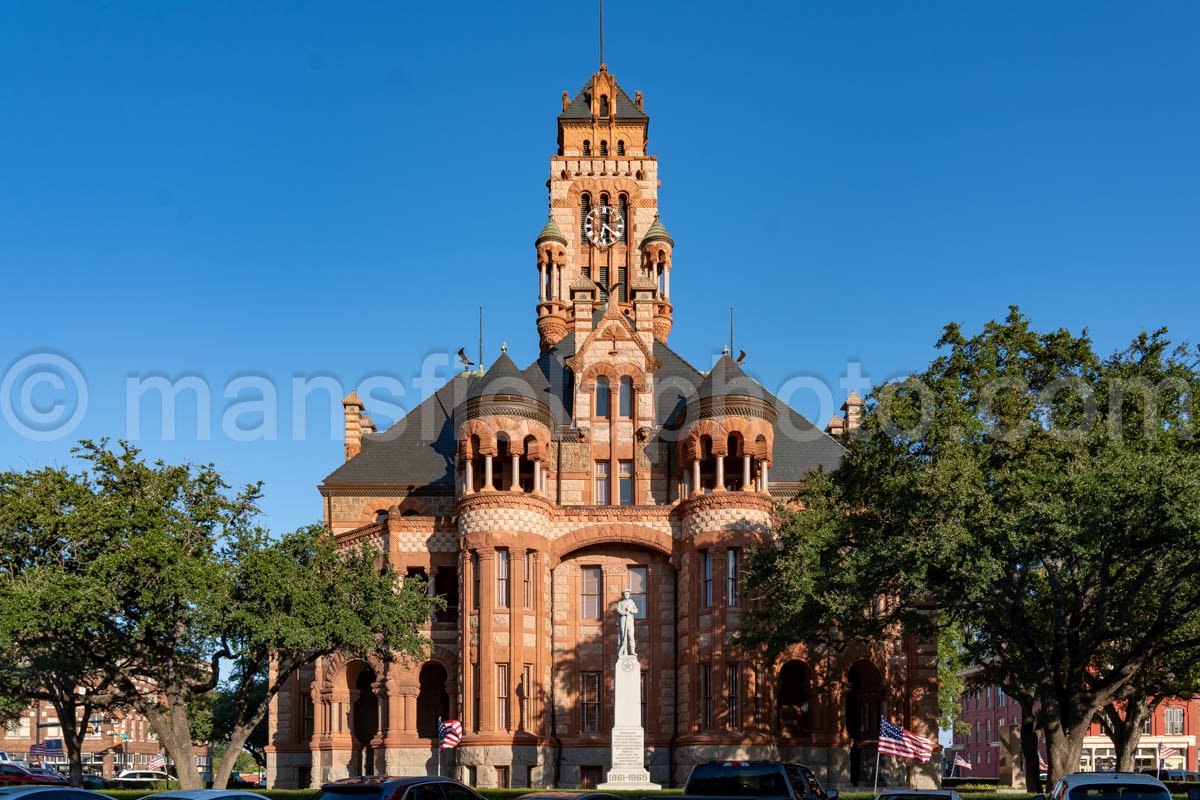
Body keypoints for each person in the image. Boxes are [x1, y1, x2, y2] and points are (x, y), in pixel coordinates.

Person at [616, 589, 638, 656]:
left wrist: (630, 610)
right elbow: (618, 610)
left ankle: (632, 650)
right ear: (623, 595)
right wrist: (624, 613)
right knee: (623, 635)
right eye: (625, 594)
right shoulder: (620, 603)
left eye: (628, 594)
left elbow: (636, 610)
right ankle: (624, 651)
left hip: (630, 620)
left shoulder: (631, 602)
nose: (626, 595)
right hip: (623, 619)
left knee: (631, 635)